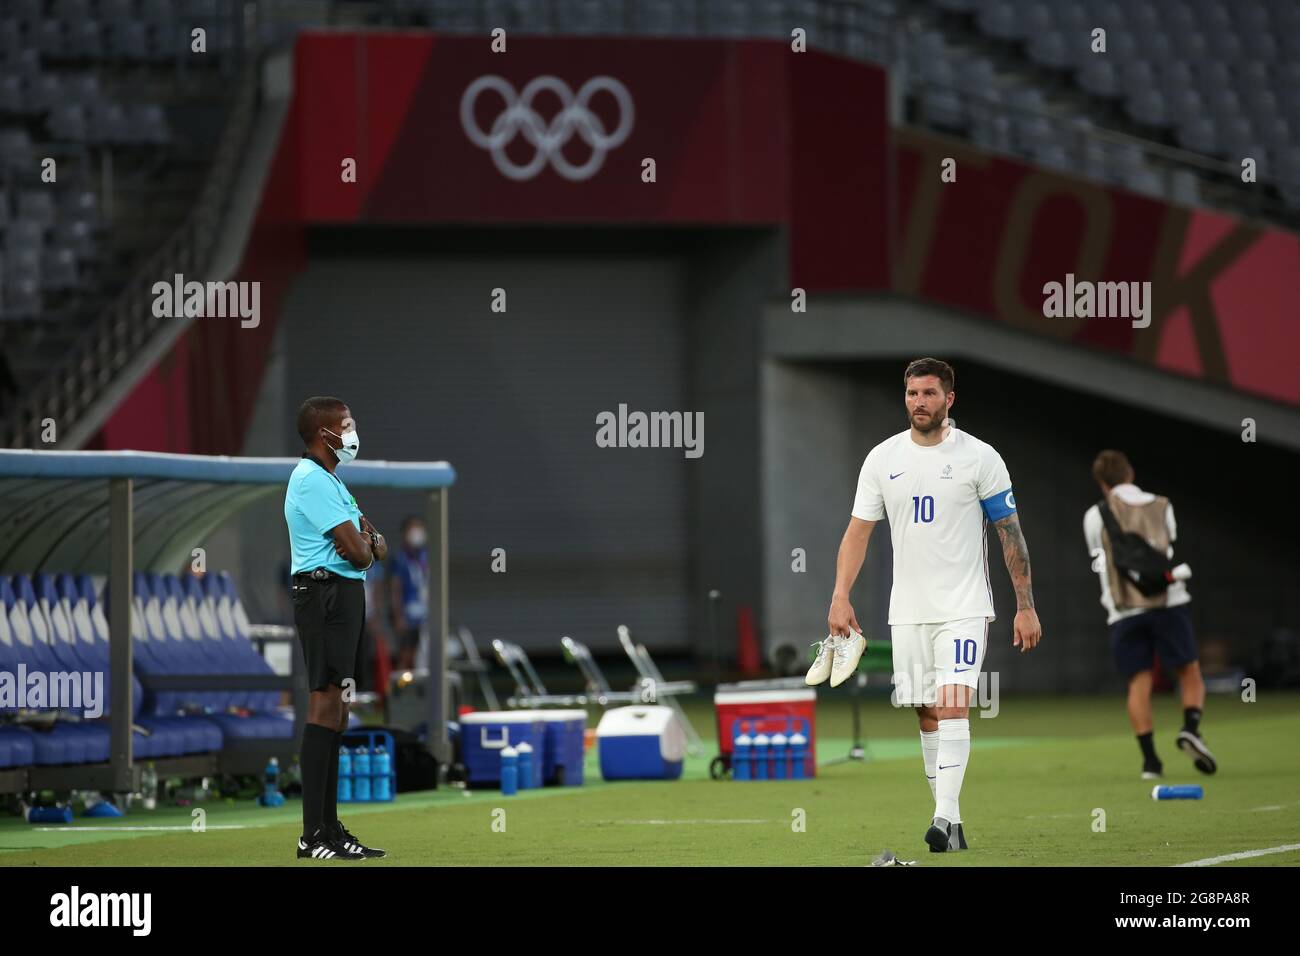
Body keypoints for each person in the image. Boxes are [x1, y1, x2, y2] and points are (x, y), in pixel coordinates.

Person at [807, 358, 1042, 853]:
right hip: (908, 610)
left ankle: (942, 818)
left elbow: (1010, 535)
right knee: (927, 712)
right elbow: (857, 533)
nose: (919, 402)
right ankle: (952, 829)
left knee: (955, 702)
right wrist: (839, 596)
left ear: (949, 399)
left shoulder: (981, 457)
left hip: (964, 605)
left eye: (930, 394)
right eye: (912, 393)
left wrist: (1025, 604)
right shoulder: (882, 458)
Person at [283, 396, 389, 860]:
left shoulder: (333, 480)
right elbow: (364, 550)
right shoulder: (310, 480)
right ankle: (313, 835)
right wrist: (366, 543)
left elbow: (373, 541)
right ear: (322, 433)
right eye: (346, 424)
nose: (353, 431)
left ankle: (330, 826)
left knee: (339, 709)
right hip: (323, 595)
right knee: (325, 703)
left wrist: (367, 543)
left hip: (343, 595)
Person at [1084, 450, 1216, 780]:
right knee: (1189, 671)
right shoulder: (1162, 504)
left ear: (1102, 483)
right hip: (1168, 603)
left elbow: (1099, 559)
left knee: (1138, 683)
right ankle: (1191, 728)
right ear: (1130, 473)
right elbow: (1167, 551)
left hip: (1124, 609)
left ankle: (1150, 763)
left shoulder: (1095, 514)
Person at [388, 516, 430, 671]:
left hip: (425, 615)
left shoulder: (426, 556)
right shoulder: (399, 558)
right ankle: (401, 690)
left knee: (425, 654)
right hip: (407, 615)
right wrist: (398, 616)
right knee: (406, 655)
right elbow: (395, 588)